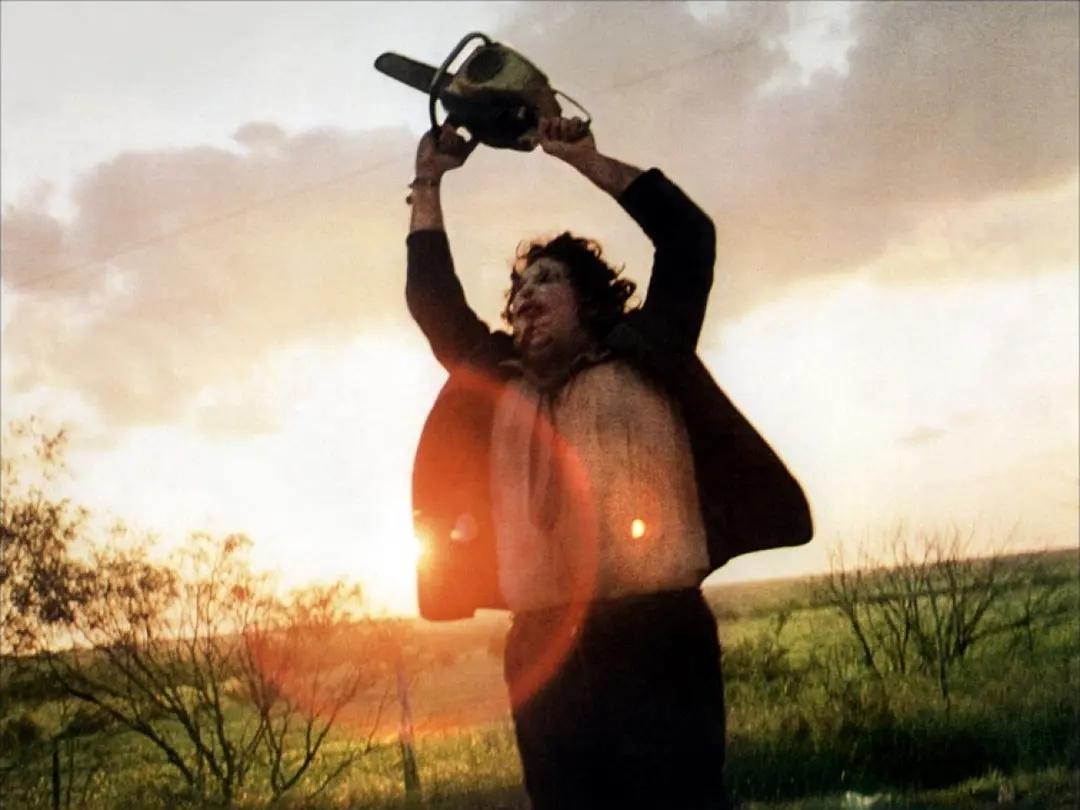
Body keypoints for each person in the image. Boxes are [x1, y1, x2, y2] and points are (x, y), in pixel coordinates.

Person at [405, 117, 812, 809]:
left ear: (589, 299)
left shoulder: (648, 347)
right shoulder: (497, 377)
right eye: (519, 288)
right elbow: (433, 301)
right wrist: (428, 181)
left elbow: (688, 238)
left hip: (657, 634)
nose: (525, 295)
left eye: (547, 279)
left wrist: (585, 159)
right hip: (543, 649)